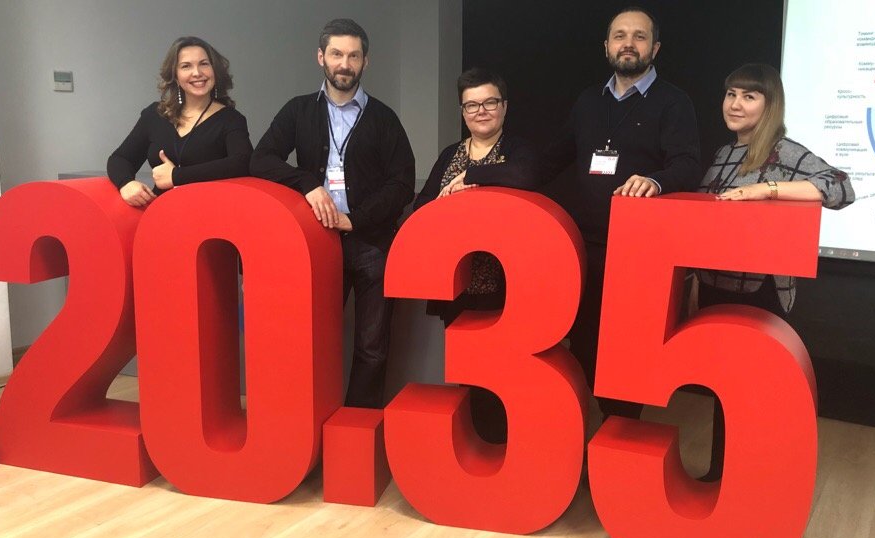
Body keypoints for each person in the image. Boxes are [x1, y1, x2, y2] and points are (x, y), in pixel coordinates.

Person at [695, 62, 855, 481]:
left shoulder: (782, 152)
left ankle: (752, 479)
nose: (735, 104)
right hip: (715, 288)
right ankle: (721, 475)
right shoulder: (724, 153)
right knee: (723, 389)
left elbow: (841, 188)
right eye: (731, 94)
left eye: (749, 96)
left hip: (759, 292)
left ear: (770, 105)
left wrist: (767, 189)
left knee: (754, 392)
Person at [542, 6, 702, 416]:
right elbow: (551, 159)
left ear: (655, 48)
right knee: (584, 344)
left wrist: (656, 181)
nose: (628, 43)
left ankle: (621, 434)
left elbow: (687, 164)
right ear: (607, 46)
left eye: (639, 36)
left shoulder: (673, 102)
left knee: (628, 355)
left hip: (639, 256)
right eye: (620, 35)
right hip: (586, 250)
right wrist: (491, 175)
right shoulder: (587, 102)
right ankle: (596, 430)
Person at [250, 18, 415, 409]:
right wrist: (307, 183)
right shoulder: (298, 111)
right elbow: (261, 159)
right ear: (321, 57)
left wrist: (355, 218)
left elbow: (402, 184)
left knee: (372, 346)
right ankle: (310, 423)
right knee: (311, 339)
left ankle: (356, 427)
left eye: (353, 56)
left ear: (365, 62)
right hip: (316, 242)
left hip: (372, 244)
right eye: (337, 54)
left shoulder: (384, 119)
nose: (345, 64)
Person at [414, 67, 540, 442]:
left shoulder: (519, 151)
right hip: (458, 283)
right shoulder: (450, 154)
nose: (481, 111)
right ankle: (475, 444)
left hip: (505, 284)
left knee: (502, 368)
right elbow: (422, 207)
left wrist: (471, 177)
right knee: (467, 368)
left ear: (504, 106)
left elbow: (526, 176)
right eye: (471, 105)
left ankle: (503, 442)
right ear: (462, 111)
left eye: (489, 102)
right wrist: (439, 206)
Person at [108, 36, 252, 206]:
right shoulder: (155, 114)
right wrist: (126, 183)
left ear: (215, 71)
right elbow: (120, 158)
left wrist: (176, 176)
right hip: (159, 213)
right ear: (175, 76)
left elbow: (243, 162)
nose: (197, 72)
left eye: (204, 64)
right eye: (186, 66)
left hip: (210, 214)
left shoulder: (231, 119)